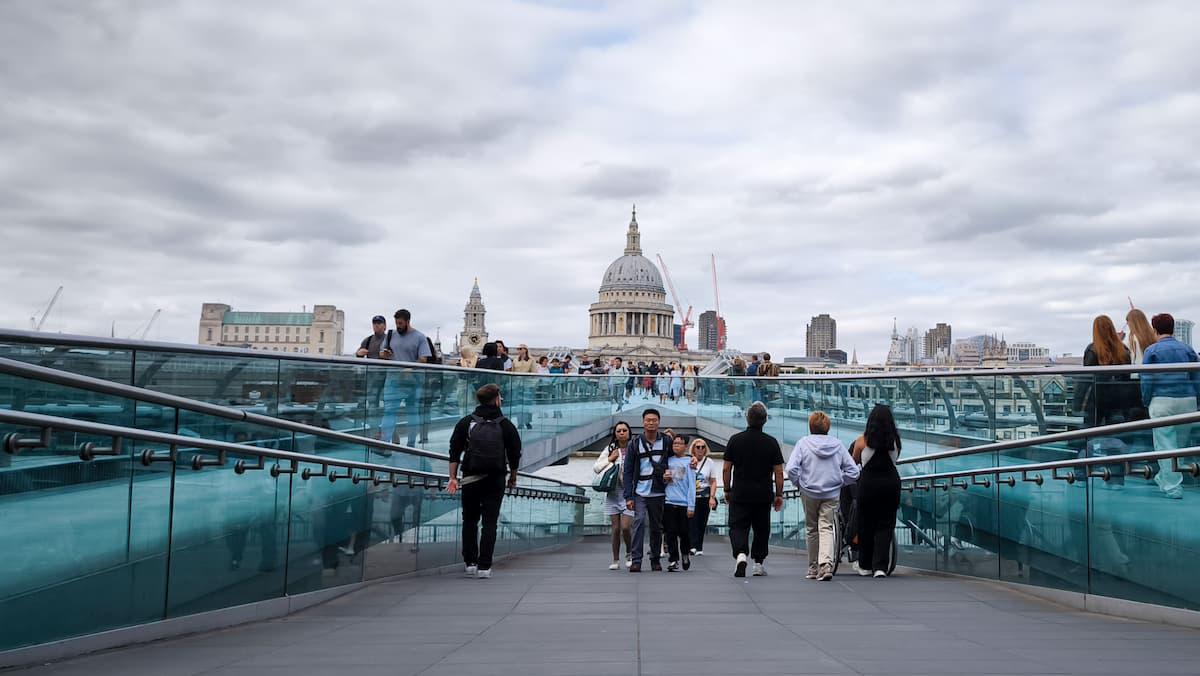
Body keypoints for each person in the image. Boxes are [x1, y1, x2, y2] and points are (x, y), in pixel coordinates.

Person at [447, 384, 522, 579]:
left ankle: (470, 561)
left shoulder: (466, 422)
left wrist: (453, 477)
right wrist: (513, 476)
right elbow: (515, 454)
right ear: (497, 399)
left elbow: (454, 451)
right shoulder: (506, 424)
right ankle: (484, 566)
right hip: (495, 477)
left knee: (469, 519)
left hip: (470, 477)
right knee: (490, 522)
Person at [786, 411, 860, 581]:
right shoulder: (838, 445)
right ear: (828, 427)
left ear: (810, 426)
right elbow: (854, 472)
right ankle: (825, 565)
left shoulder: (803, 443)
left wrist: (799, 483)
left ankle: (813, 568)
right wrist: (840, 482)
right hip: (831, 493)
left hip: (809, 491)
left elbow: (791, 469)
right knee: (826, 527)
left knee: (812, 529)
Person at [1140, 313, 1200, 499]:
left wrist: (1146, 400)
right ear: (1173, 328)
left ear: (1154, 329)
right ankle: (1164, 478)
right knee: (1180, 447)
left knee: (1165, 445)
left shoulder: (1152, 351)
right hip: (1187, 400)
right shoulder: (1188, 349)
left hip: (1162, 399)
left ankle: (1173, 488)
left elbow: (1147, 380)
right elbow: (1197, 378)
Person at [722, 401, 784, 577]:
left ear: (747, 419)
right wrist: (779, 494)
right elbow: (779, 472)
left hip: (740, 492)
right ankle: (758, 563)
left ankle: (741, 554)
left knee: (737, 526)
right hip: (763, 494)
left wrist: (727, 489)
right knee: (761, 529)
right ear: (765, 421)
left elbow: (726, 468)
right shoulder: (771, 443)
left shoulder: (735, 440)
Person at [850, 404, 902, 577]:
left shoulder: (862, 441)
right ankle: (880, 566)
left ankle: (865, 565)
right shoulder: (895, 441)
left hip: (868, 485)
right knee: (886, 524)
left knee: (866, 523)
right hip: (890, 484)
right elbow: (896, 459)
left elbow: (854, 461)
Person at [623, 408, 673, 572]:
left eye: (654, 420)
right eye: (648, 420)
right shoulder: (635, 443)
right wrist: (628, 496)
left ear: (659, 422)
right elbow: (628, 470)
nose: (651, 423)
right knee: (638, 522)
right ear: (643, 422)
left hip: (658, 490)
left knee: (656, 526)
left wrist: (690, 461)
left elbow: (676, 460)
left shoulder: (666, 441)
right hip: (640, 491)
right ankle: (636, 559)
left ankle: (655, 559)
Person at [379, 309, 432, 445]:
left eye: (401, 323)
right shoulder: (391, 335)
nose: (398, 326)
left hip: (413, 382)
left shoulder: (420, 337)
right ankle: (384, 443)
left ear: (408, 322)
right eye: (397, 323)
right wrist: (384, 354)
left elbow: (424, 359)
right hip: (393, 380)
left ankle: (411, 444)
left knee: (412, 414)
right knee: (389, 412)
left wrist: (411, 367)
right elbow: (381, 354)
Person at [596, 422, 635, 569]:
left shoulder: (634, 448)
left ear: (629, 433)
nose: (622, 433)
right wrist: (610, 459)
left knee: (625, 527)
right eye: (618, 431)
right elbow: (596, 468)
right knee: (616, 529)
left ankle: (629, 554)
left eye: (625, 430)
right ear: (615, 434)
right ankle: (615, 560)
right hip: (613, 493)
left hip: (629, 493)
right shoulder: (610, 449)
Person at [663, 435, 696, 571]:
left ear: (685, 446)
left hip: (684, 503)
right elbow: (662, 480)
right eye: (674, 443)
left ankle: (685, 554)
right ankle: (673, 559)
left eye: (679, 443)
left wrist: (691, 505)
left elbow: (692, 485)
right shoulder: (667, 461)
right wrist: (664, 479)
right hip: (668, 501)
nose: (676, 446)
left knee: (684, 532)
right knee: (670, 533)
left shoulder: (689, 462)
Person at [688, 436, 720, 556]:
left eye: (703, 447)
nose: (700, 449)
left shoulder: (709, 462)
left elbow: (713, 481)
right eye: (698, 447)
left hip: (705, 495)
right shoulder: (689, 460)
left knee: (702, 521)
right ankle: (692, 546)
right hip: (692, 496)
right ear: (693, 449)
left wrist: (712, 497)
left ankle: (699, 546)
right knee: (692, 521)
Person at [1126, 309, 1158, 378]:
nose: (1127, 325)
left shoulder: (1133, 339)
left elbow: (1134, 360)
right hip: (1152, 375)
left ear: (1132, 323)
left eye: (1128, 322)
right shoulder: (1153, 336)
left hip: (1136, 376)